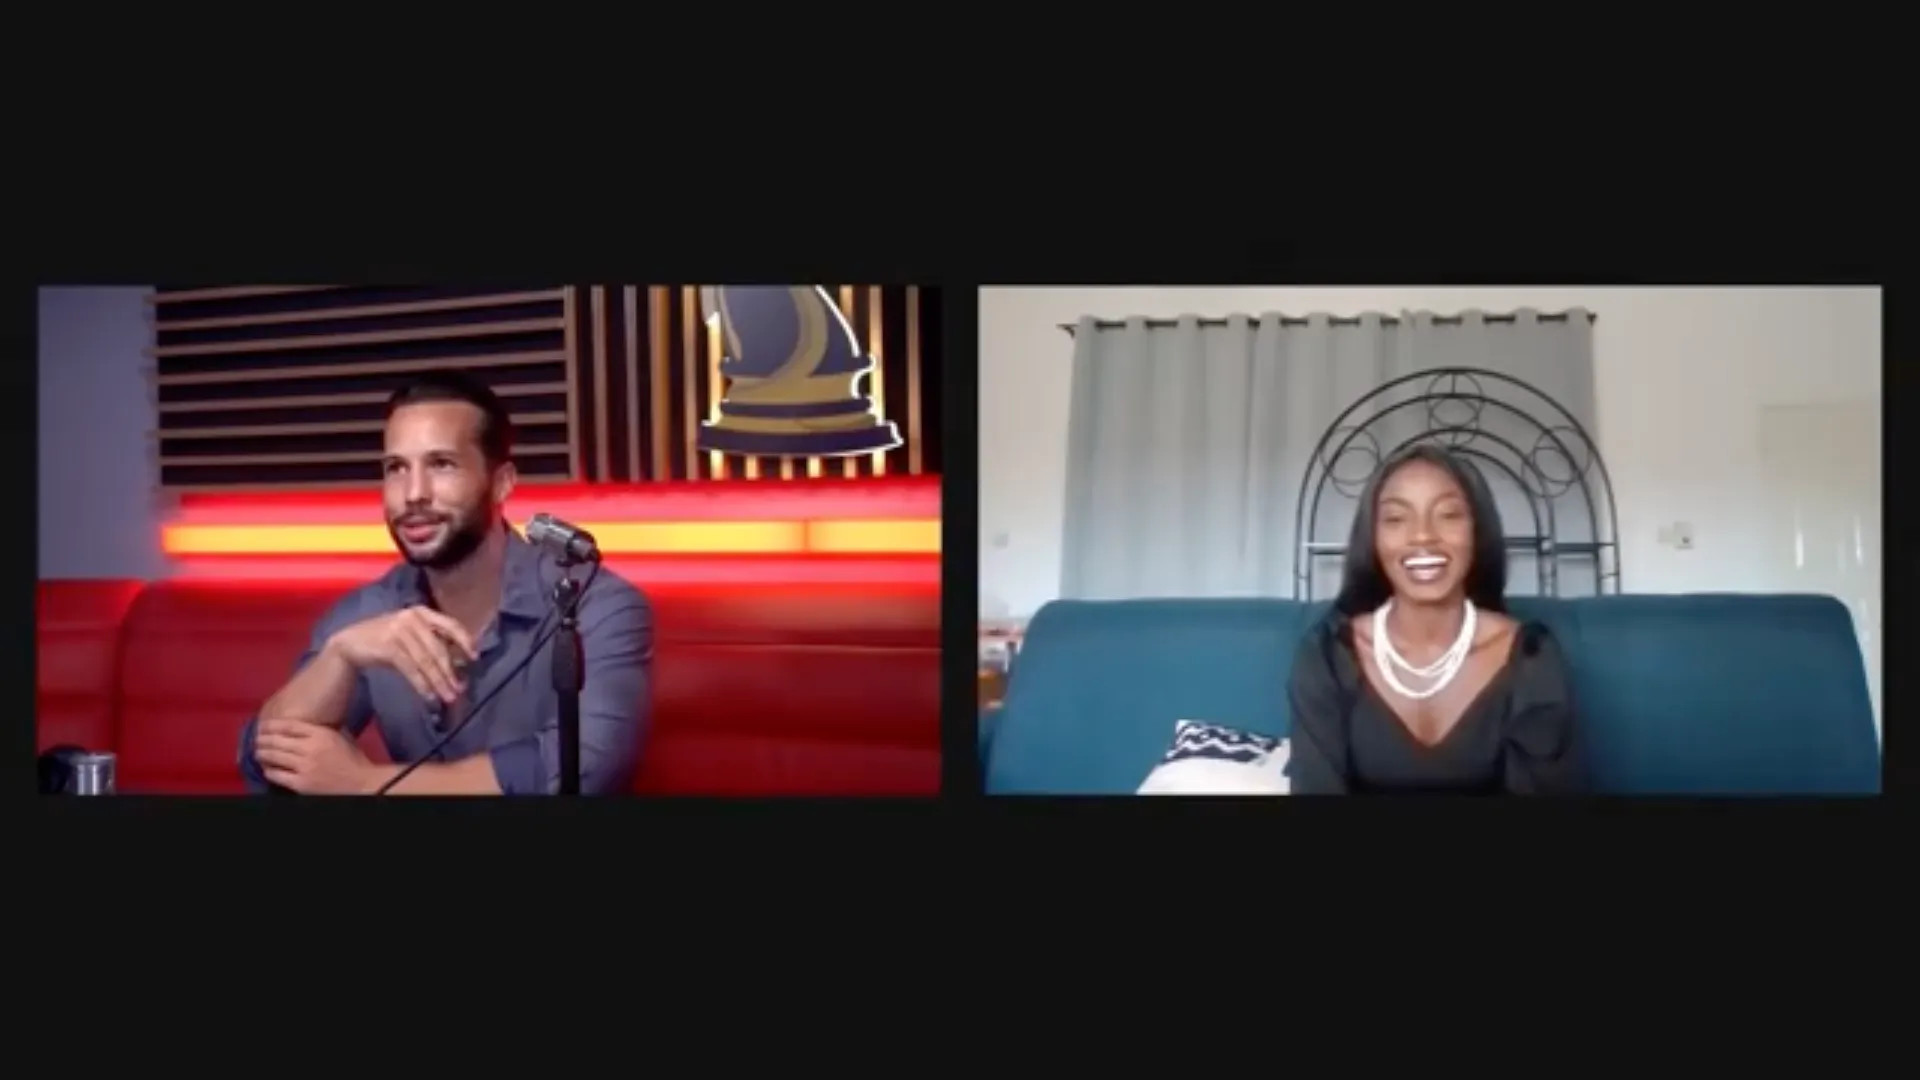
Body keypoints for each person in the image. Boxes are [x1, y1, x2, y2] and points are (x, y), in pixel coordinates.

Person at [237, 372, 653, 795]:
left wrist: (367, 784)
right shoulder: (368, 614)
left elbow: (586, 767)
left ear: (501, 483)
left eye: (441, 464)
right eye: (396, 468)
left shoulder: (596, 604)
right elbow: (262, 766)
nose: (413, 493)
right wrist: (337, 657)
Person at [1286, 444, 1586, 794]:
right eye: (1396, 519)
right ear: (1373, 538)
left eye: (1448, 515)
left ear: (1477, 530)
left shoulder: (1531, 657)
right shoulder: (1327, 656)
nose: (1423, 536)